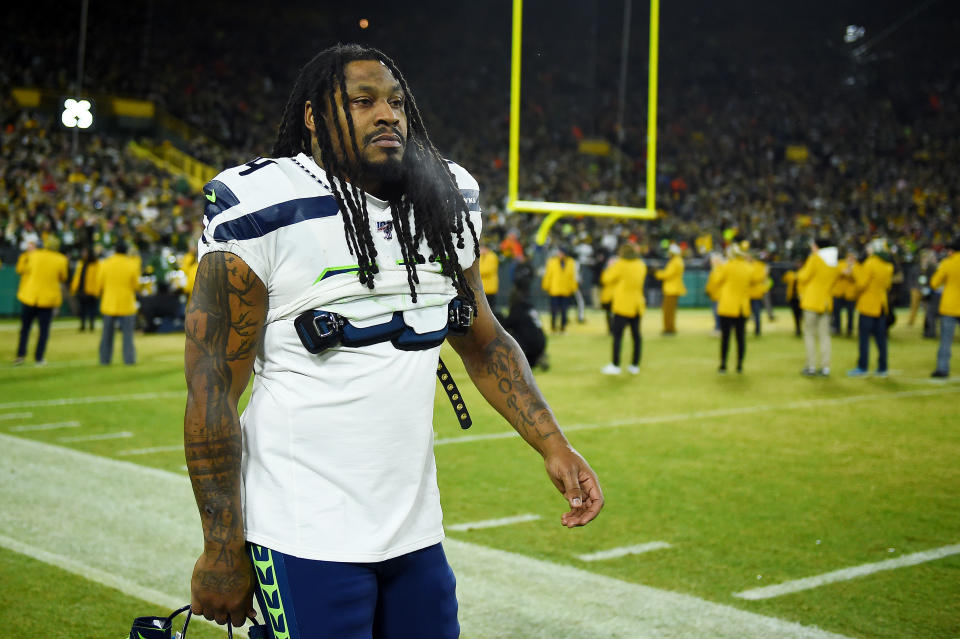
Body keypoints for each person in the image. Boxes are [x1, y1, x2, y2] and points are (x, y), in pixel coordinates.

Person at [183, 44, 603, 638]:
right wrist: (222, 546)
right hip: (303, 532)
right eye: (363, 101)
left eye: (396, 101)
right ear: (312, 117)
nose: (389, 114)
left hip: (414, 532)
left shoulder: (443, 197)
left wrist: (553, 444)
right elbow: (211, 387)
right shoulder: (262, 205)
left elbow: (482, 341)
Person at [14, 237, 68, 365]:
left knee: (25, 328)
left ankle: (20, 356)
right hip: (47, 299)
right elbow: (63, 277)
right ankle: (39, 358)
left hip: (30, 296)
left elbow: (24, 270)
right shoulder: (61, 259)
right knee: (43, 331)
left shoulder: (34, 255)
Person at [847, 240, 894, 377]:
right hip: (881, 306)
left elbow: (861, 283)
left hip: (868, 306)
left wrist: (854, 267)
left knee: (864, 339)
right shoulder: (888, 266)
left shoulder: (871, 263)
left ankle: (863, 367)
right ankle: (883, 367)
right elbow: (888, 286)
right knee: (881, 339)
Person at [713, 243, 761, 373]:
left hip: (727, 306)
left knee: (726, 338)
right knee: (740, 338)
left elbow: (716, 280)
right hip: (742, 307)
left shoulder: (726, 267)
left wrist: (716, 266)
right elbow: (756, 279)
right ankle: (739, 365)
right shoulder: (748, 267)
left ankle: (723, 365)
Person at [600, 243, 646, 375]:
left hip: (622, 306)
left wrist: (610, 266)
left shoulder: (620, 264)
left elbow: (606, 279)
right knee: (636, 336)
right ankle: (635, 364)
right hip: (637, 304)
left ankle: (615, 364)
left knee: (617, 336)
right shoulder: (641, 264)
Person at [797, 236, 839, 376]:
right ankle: (825, 367)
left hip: (812, 301)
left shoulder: (815, 258)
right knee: (824, 336)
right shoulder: (834, 262)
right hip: (826, 302)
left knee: (809, 334)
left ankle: (811, 366)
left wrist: (801, 271)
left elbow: (804, 277)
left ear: (817, 247)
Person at [97, 242, 141, 365]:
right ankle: (129, 360)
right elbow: (136, 286)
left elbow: (99, 284)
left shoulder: (105, 264)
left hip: (109, 303)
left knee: (106, 335)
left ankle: (104, 360)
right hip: (126, 303)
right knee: (128, 336)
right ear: (126, 251)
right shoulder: (132, 264)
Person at [930, 239, 960, 377]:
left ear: (951, 251)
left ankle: (942, 369)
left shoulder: (947, 263)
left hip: (950, 306)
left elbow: (934, 283)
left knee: (946, 340)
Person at [541, 245, 578, 333]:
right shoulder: (552, 262)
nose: (559, 254)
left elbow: (572, 276)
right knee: (554, 310)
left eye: (561, 252)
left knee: (564, 310)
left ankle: (563, 327)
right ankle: (553, 326)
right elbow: (548, 275)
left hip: (566, 290)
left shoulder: (571, 262)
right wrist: (546, 286)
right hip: (555, 289)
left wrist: (573, 288)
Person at [654, 242, 686, 335]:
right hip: (674, 288)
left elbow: (668, 274)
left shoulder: (675, 262)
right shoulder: (678, 261)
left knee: (668, 311)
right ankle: (670, 328)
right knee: (670, 311)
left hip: (671, 289)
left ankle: (669, 329)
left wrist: (657, 273)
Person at [70, 247, 100, 331]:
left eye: (85, 252)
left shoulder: (95, 264)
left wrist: (97, 290)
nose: (83, 254)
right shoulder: (81, 263)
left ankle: (91, 325)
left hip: (92, 290)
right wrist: (74, 287)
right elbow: (77, 276)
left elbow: (98, 278)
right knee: (82, 309)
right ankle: (82, 325)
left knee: (91, 309)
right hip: (82, 290)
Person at [781, 261, 802, 337]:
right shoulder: (790, 273)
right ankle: (798, 329)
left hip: (802, 298)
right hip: (793, 297)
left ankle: (801, 328)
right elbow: (784, 278)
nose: (798, 264)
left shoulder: (804, 272)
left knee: (802, 314)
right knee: (796, 314)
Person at [478, 243, 499, 311]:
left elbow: (486, 270)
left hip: (490, 289)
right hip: (482, 289)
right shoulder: (481, 256)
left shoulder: (492, 257)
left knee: (491, 309)